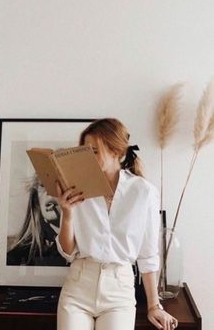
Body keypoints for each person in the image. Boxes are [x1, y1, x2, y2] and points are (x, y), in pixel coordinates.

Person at [55, 118, 179, 330]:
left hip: (119, 293)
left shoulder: (143, 192)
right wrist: (67, 213)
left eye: (94, 151)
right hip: (78, 288)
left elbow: (148, 255)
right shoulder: (76, 188)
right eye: (85, 151)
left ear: (115, 150)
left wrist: (153, 306)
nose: (89, 158)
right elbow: (67, 251)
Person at [7, 175, 68, 266]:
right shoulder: (16, 257)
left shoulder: (82, 250)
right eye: (43, 185)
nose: (49, 193)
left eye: (59, 186)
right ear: (36, 200)